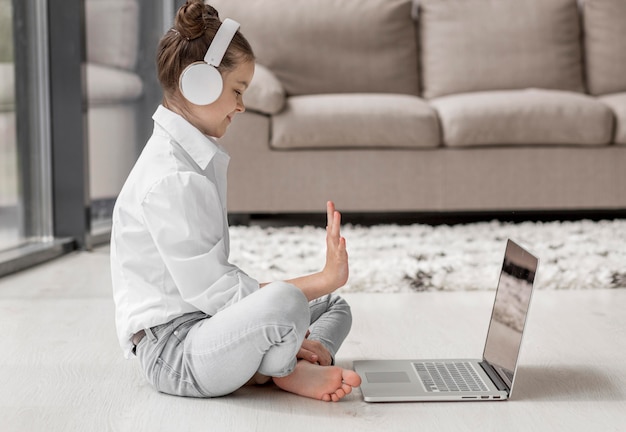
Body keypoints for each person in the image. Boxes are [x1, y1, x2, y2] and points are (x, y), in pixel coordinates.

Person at [110, 0, 361, 402]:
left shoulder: (190, 156)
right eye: (238, 90)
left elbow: (225, 298)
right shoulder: (171, 176)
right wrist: (321, 277)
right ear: (200, 85)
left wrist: (304, 305)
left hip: (211, 327)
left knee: (332, 305)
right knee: (287, 300)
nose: (242, 105)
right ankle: (284, 369)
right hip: (177, 353)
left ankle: (279, 362)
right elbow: (220, 294)